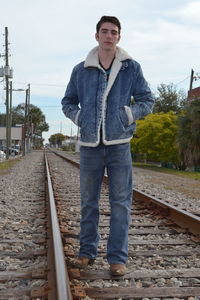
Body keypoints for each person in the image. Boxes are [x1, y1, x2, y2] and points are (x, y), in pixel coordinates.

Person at [61, 16, 154, 276]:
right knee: (88, 202)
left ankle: (117, 259)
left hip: (119, 145)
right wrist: (81, 119)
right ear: (97, 36)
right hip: (90, 145)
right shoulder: (81, 70)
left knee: (120, 203)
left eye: (114, 32)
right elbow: (67, 101)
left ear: (119, 37)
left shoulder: (131, 68)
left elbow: (147, 100)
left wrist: (127, 115)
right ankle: (86, 253)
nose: (109, 36)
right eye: (105, 31)